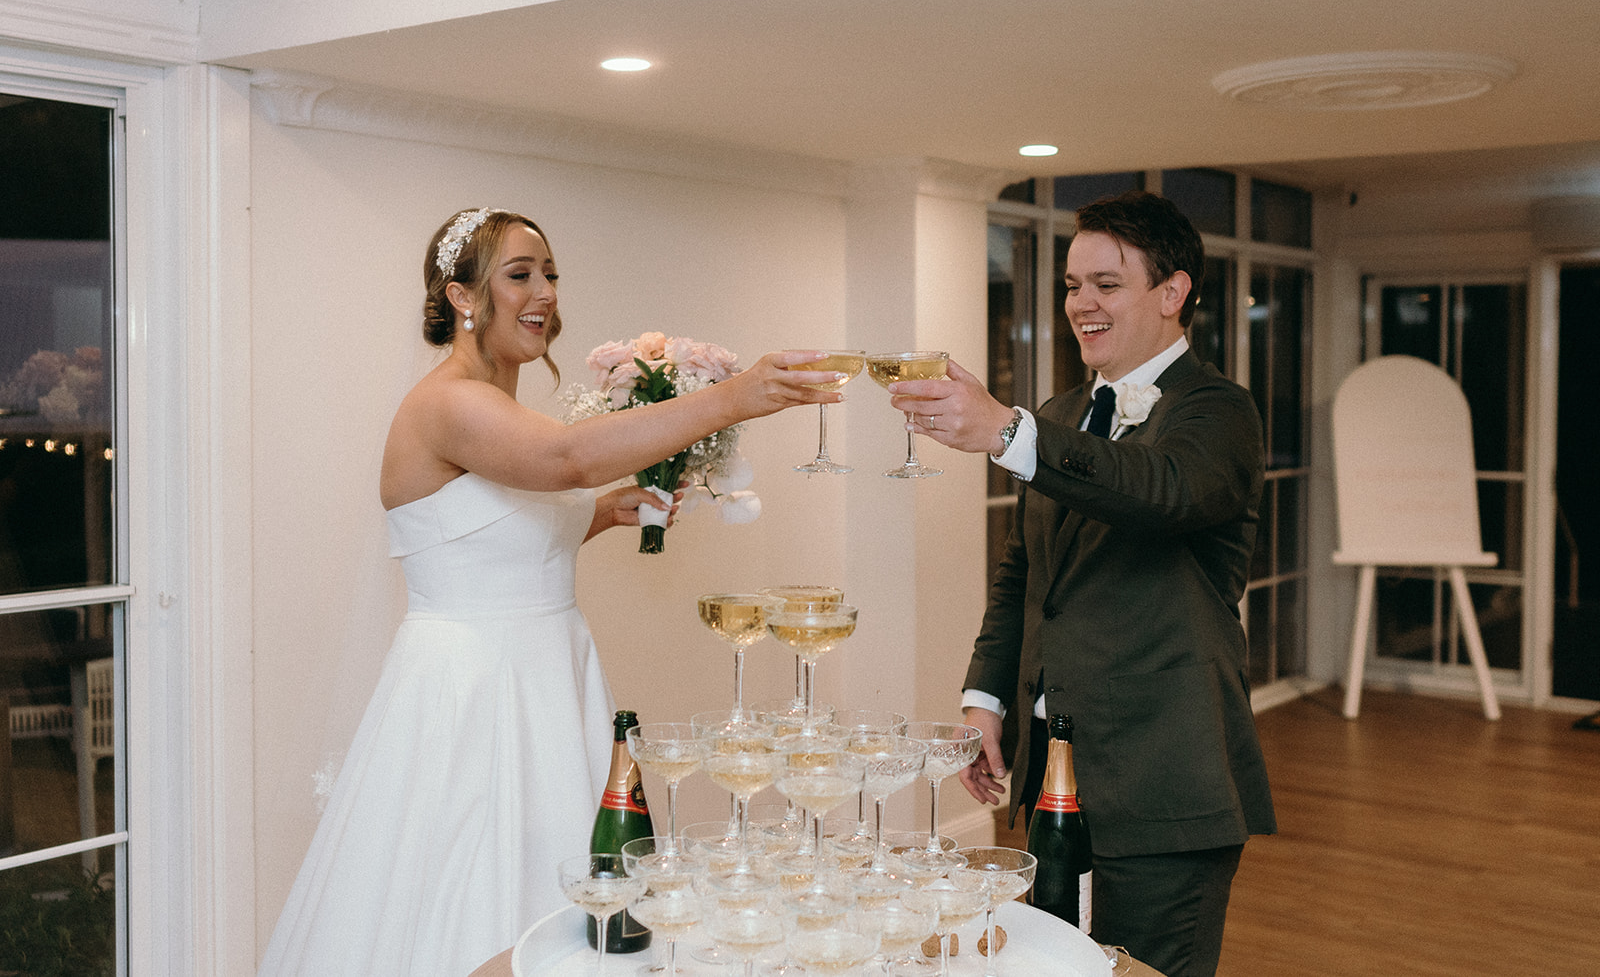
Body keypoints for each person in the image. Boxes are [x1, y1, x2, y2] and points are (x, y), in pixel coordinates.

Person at [259, 207, 839, 977]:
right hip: (474, 692)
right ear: (463, 296)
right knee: (470, 900)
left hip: (551, 676)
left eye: (551, 274)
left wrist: (600, 514)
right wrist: (734, 397)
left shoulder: (502, 410)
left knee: (567, 901)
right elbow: (566, 458)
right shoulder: (445, 403)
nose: (544, 293)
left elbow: (499, 531)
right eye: (520, 274)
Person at [887, 190, 1275, 977]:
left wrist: (1006, 429)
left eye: (1106, 283)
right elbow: (1023, 576)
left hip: (1164, 789)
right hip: (1052, 783)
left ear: (1173, 294)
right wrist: (986, 701)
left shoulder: (1219, 412)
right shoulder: (1063, 413)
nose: (1081, 304)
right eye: (1071, 285)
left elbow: (1159, 487)